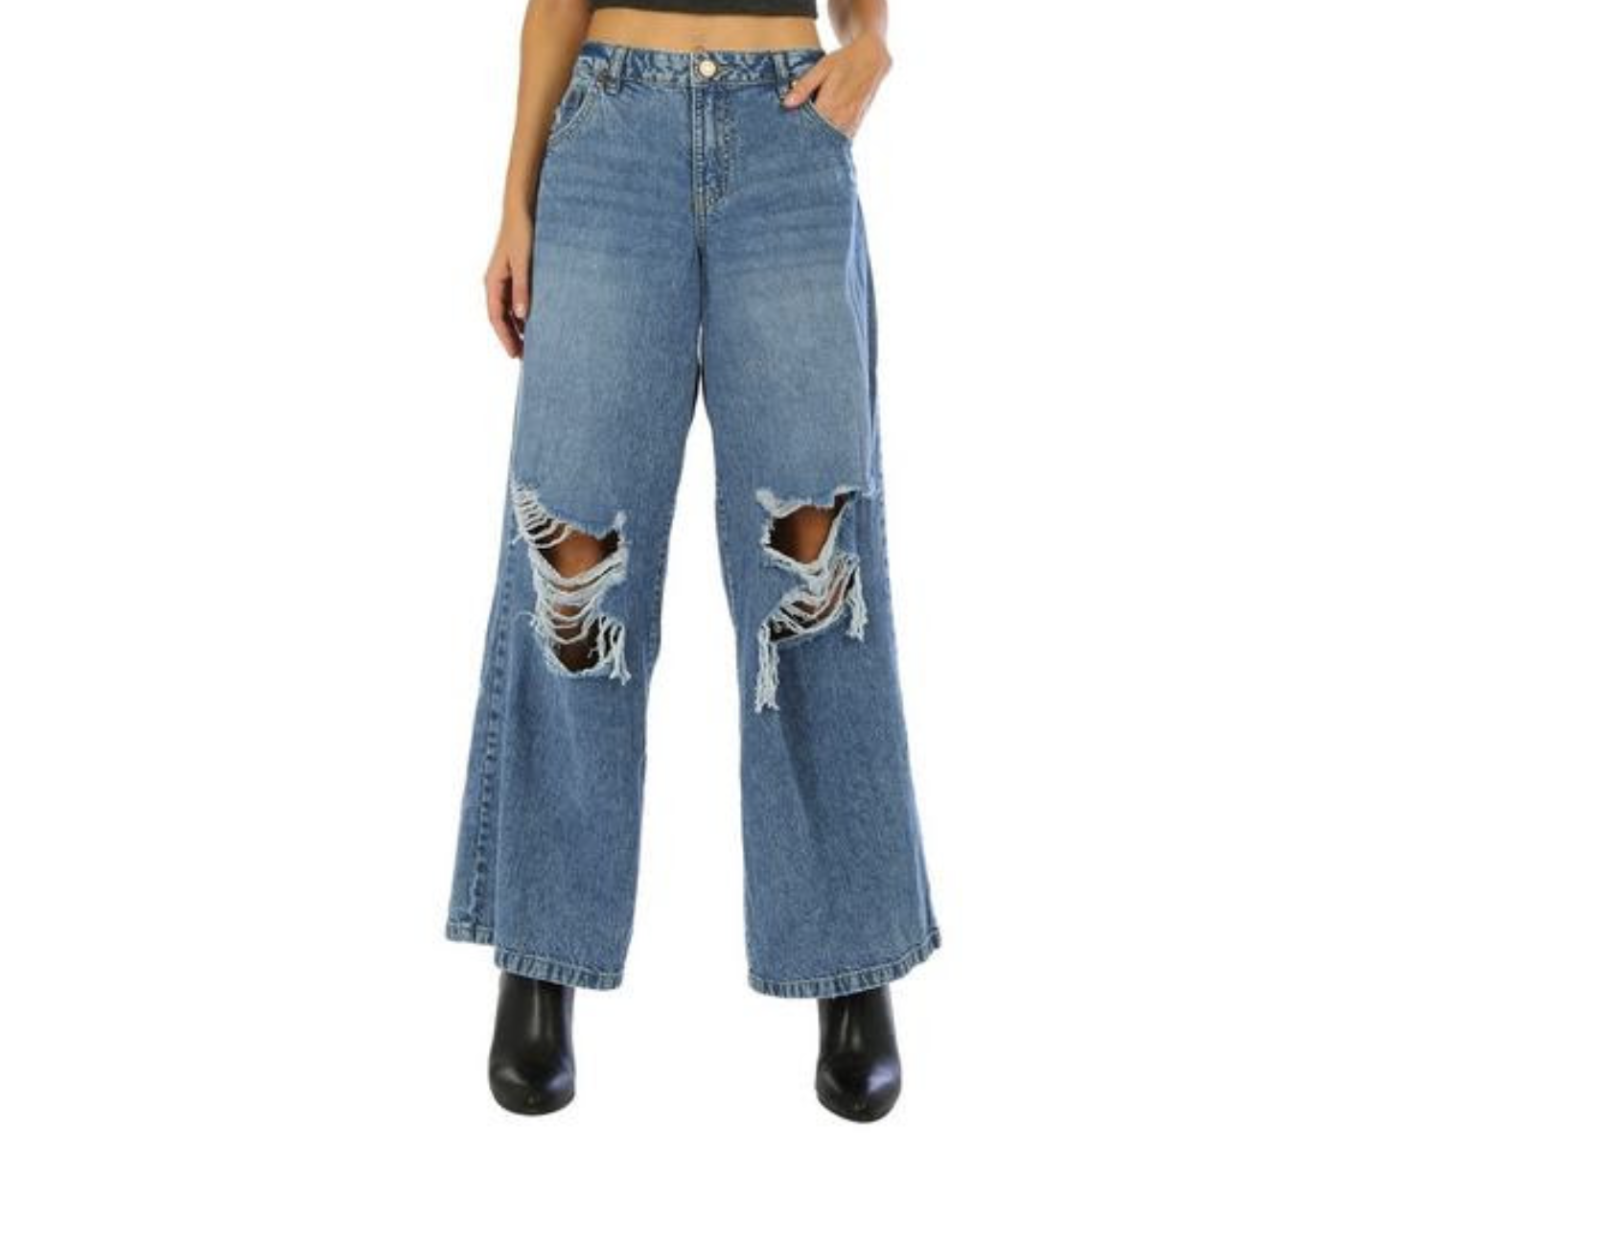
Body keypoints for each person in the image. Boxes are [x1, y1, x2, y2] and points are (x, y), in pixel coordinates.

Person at [444, 0, 940, 1122]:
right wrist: (515, 198)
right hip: (610, 135)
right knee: (571, 542)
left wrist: (871, 41)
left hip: (789, 132)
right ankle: (541, 952)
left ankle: (850, 959)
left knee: (816, 555)